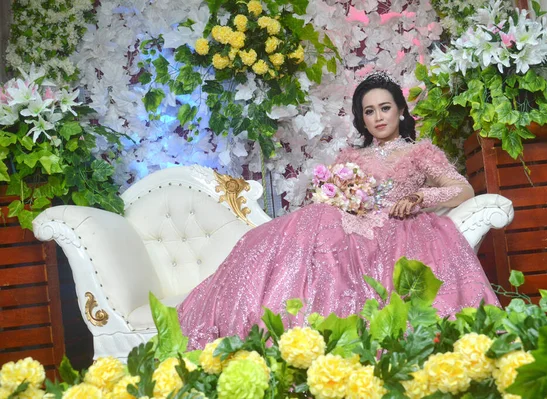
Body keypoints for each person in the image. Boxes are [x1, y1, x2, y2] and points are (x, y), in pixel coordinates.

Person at [178, 71, 500, 349]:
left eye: (385, 108)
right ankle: (265, 322)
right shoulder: (353, 157)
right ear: (363, 118)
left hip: (394, 229)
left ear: (401, 110)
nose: (378, 117)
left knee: (323, 228)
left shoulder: (419, 152)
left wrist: (418, 198)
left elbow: (463, 190)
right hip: (348, 225)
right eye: (370, 111)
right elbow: (330, 196)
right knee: (291, 230)